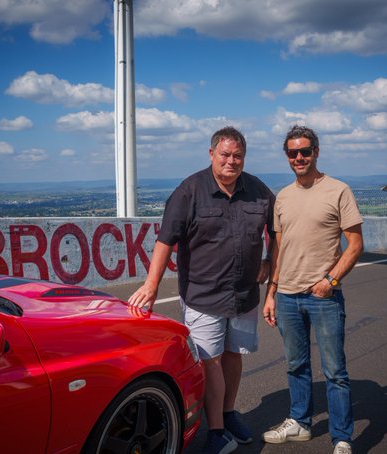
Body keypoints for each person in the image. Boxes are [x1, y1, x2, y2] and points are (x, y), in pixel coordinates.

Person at [128, 126, 275, 454]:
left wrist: (268, 261)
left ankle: (227, 412)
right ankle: (218, 432)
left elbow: (277, 230)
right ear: (211, 155)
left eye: (238, 156)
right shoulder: (189, 191)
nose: (231, 161)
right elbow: (166, 239)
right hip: (203, 295)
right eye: (225, 154)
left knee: (233, 355)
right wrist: (151, 286)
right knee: (209, 360)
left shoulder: (259, 191)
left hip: (244, 294)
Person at [261, 125, 363, 454]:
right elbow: (278, 248)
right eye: (293, 153)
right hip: (287, 295)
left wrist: (330, 281)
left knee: (335, 371)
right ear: (287, 156)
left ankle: (342, 437)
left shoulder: (338, 190)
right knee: (295, 365)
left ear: (316, 152)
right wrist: (272, 292)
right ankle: (300, 423)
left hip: (324, 297)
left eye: (305, 151)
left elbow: (356, 245)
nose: (299, 157)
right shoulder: (284, 197)